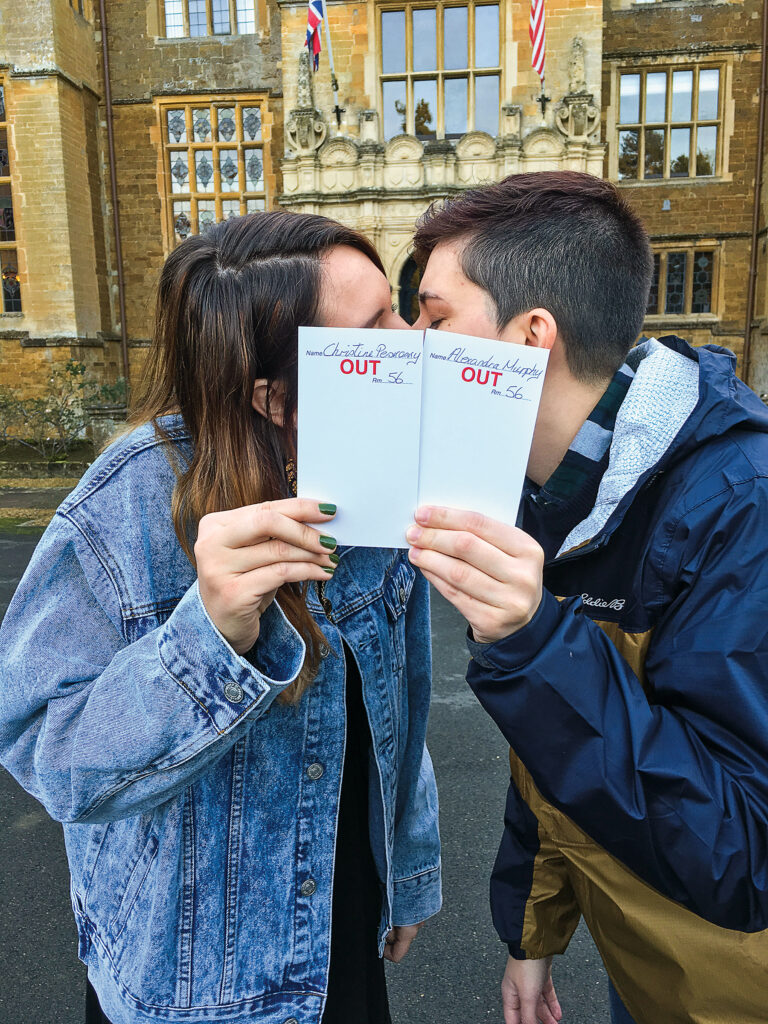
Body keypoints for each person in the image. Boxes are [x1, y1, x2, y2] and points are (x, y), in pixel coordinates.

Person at [0, 211, 441, 1024]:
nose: (413, 339)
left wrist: (405, 873)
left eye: (399, 308)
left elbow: (403, 704)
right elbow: (44, 751)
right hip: (185, 980)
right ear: (272, 395)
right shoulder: (123, 508)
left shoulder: (384, 476)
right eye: (377, 327)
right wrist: (203, 640)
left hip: (339, 933)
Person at [405, 171, 768, 1024]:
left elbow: (742, 853)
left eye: (434, 316)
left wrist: (535, 645)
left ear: (530, 339)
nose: (410, 343)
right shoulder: (547, 490)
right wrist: (531, 934)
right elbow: (555, 752)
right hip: (641, 967)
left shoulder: (740, 504)